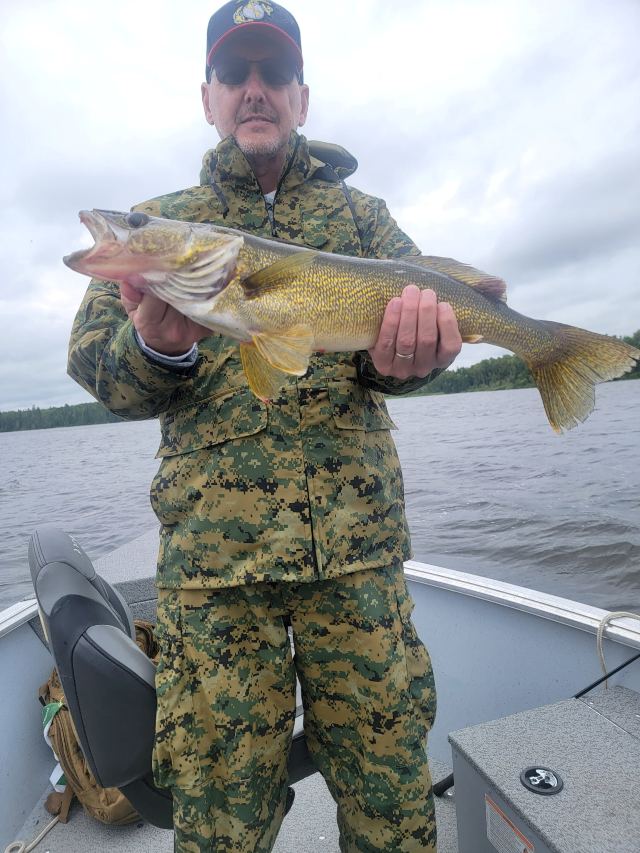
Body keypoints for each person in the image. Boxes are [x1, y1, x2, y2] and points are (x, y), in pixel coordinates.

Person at [68, 2, 462, 850]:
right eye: (235, 73)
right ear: (207, 97)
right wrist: (157, 347)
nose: (255, 88)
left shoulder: (364, 220)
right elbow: (95, 367)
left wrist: (409, 360)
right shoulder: (159, 224)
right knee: (220, 824)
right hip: (216, 579)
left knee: (395, 813)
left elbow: (407, 350)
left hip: (359, 561)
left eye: (274, 73)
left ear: (301, 96)